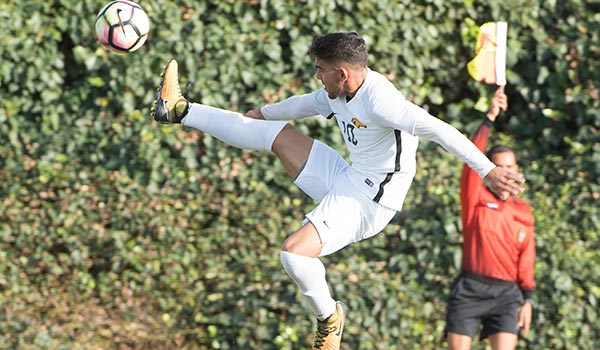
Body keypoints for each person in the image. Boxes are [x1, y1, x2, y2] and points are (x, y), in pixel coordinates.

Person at [151, 32, 526, 350]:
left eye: (320, 70)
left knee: (294, 256)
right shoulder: (337, 90)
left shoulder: (383, 101)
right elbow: (302, 105)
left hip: (369, 202)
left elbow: (440, 130)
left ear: (342, 72)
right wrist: (259, 114)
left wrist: (488, 169)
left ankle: (329, 320)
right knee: (277, 135)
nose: (318, 76)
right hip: (348, 178)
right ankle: (178, 110)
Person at [444, 86, 535, 350]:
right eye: (499, 167)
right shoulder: (475, 197)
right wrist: (490, 117)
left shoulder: (524, 210)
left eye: (510, 167)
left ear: (517, 170)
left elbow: (527, 258)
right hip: (471, 288)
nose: (506, 173)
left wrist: (527, 298)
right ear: (489, 169)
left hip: (507, 294)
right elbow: (470, 160)